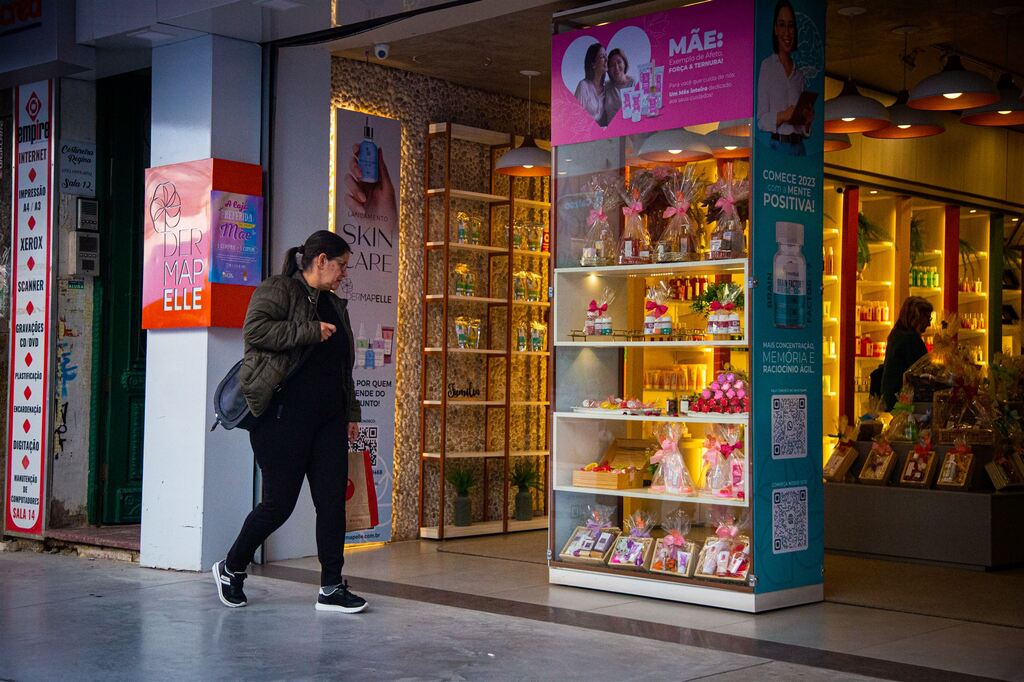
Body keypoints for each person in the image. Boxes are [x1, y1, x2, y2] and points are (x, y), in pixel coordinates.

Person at [213, 229, 367, 614]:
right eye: (341, 265)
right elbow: (256, 332)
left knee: (332, 503)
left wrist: (351, 413)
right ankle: (231, 568)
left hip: (328, 422)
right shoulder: (278, 289)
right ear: (320, 261)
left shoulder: (334, 304)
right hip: (282, 419)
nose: (344, 273)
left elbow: (341, 367)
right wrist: (309, 331)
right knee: (279, 504)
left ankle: (331, 586)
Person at [756, 0, 811, 156]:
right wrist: (783, 115)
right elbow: (761, 121)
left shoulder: (799, 75)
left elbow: (799, 127)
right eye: (782, 25)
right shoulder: (767, 66)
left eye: (791, 25)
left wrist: (806, 123)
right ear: (775, 29)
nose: (787, 32)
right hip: (777, 146)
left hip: (799, 147)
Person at [880, 296, 934, 411]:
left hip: (891, 399)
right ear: (918, 317)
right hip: (903, 402)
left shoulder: (896, 334)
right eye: (928, 319)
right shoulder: (911, 339)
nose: (928, 324)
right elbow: (923, 369)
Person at [574, 42, 609, 126]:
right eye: (602, 57)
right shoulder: (583, 86)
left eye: (606, 56)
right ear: (593, 64)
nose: (606, 59)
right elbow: (576, 116)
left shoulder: (606, 90)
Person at [601, 48, 634, 125]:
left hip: (629, 129)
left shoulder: (634, 84)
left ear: (624, 63)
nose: (616, 67)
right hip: (611, 132)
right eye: (612, 65)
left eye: (619, 62)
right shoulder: (606, 86)